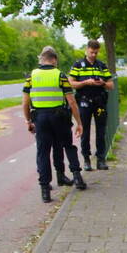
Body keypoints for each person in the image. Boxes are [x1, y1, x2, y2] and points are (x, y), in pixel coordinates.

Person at [22, 46, 85, 203]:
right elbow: (71, 101)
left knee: (43, 152)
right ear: (54, 59)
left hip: (40, 118)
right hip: (59, 116)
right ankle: (77, 177)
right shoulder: (60, 75)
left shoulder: (31, 77)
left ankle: (45, 189)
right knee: (67, 146)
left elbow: (25, 103)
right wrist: (79, 122)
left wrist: (28, 121)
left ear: (41, 59)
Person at [69, 39, 115, 171]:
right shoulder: (78, 65)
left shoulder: (101, 65)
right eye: (92, 52)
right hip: (84, 102)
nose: (94, 55)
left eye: (96, 52)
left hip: (99, 102)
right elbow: (71, 83)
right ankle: (86, 159)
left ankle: (101, 159)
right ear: (87, 50)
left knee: (101, 131)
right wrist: (86, 83)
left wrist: (103, 83)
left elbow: (111, 85)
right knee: (85, 131)